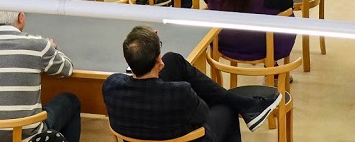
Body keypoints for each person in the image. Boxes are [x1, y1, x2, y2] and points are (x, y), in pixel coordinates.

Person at [102, 26, 282, 142]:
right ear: (158, 62)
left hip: (141, 130)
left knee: (174, 60)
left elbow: (128, 78)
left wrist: (148, 47)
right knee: (225, 108)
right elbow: (203, 114)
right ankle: (242, 104)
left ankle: (244, 104)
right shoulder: (180, 93)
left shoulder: (111, 87)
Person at [0, 0, 80, 142]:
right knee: (71, 100)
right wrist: (52, 48)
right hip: (23, 136)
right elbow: (67, 68)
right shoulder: (37, 45)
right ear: (21, 17)